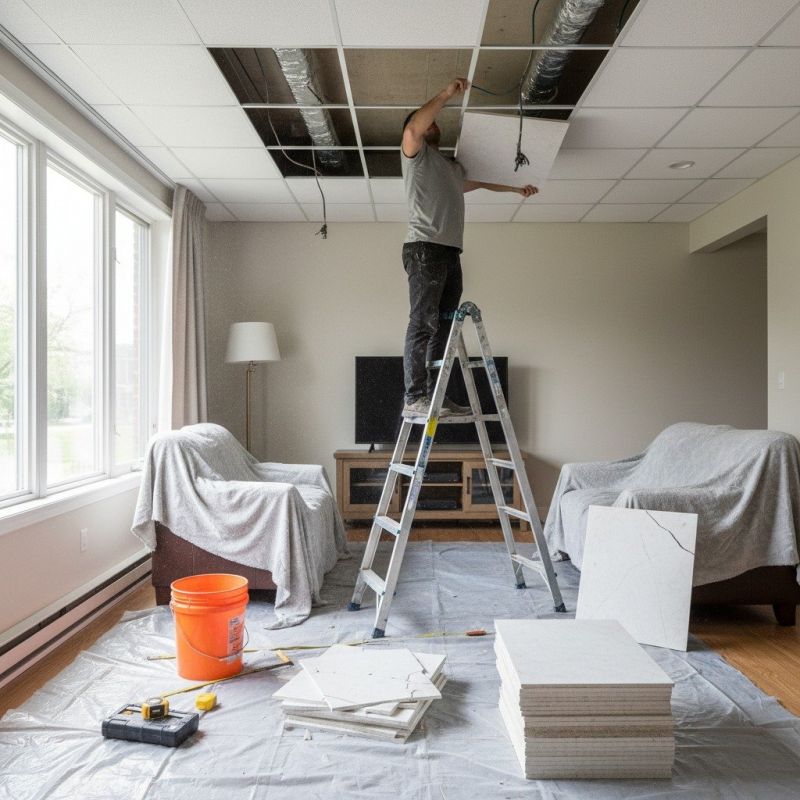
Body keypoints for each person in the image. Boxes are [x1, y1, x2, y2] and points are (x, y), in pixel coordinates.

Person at [400, 77, 538, 418]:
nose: (434, 125)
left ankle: (436, 396)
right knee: (423, 323)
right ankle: (414, 398)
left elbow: (476, 183)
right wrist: (447, 93)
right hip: (424, 249)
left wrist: (515, 189)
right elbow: (416, 127)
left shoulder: (450, 169)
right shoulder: (415, 155)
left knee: (445, 327)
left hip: (449, 253)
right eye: (428, 121)